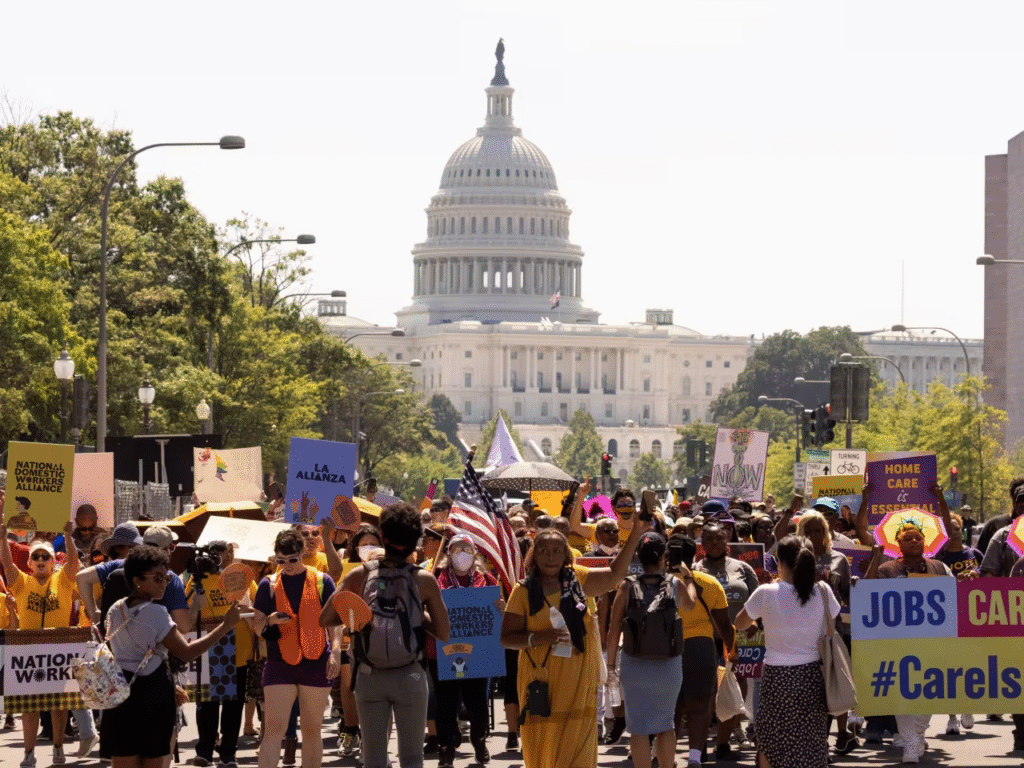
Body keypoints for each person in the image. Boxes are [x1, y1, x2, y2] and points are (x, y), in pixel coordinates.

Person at [500, 517, 651, 768]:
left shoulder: (578, 579)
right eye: (544, 551)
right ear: (534, 556)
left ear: (566, 554)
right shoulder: (523, 590)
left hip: (579, 677)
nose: (551, 557)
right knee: (544, 747)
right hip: (542, 680)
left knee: (578, 744)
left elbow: (614, 575)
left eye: (557, 550)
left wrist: (635, 533)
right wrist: (539, 637)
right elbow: (506, 638)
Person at [321, 502, 451, 768]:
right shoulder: (424, 579)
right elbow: (443, 633)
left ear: (383, 537)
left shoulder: (359, 575)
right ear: (415, 541)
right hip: (411, 675)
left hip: (369, 676)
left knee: (374, 759)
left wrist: (359, 615)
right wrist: (415, 616)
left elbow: (325, 618)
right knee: (412, 758)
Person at [102, 545, 241, 768]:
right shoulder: (156, 612)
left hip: (119, 693)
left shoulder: (115, 609)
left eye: (166, 577)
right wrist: (225, 626)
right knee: (155, 760)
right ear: (137, 580)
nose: (164, 583)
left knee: (123, 760)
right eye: (157, 578)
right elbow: (186, 652)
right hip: (152, 694)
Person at [735, 535, 839, 768]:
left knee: (771, 741)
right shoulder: (823, 591)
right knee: (810, 742)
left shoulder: (766, 592)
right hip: (813, 676)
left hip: (776, 677)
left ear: (780, 562)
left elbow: (740, 623)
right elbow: (831, 625)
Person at [865, 517, 953, 763]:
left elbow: (954, 595)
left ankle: (918, 732)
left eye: (918, 537)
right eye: (908, 538)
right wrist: (875, 557)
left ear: (925, 542)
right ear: (898, 544)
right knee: (903, 691)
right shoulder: (886, 570)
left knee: (930, 690)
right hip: (897, 642)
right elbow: (867, 592)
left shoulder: (939, 567)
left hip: (932, 642)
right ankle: (910, 743)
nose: (914, 541)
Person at [606, 532, 696, 768]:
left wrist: (611, 666)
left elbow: (614, 630)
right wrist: (689, 578)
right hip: (668, 666)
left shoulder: (626, 585)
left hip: (634, 665)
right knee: (666, 724)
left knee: (638, 728)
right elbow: (690, 604)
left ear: (638, 556)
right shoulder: (675, 583)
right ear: (664, 557)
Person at [253, 529, 342, 768]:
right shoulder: (268, 584)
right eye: (281, 561)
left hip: (316, 662)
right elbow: (257, 625)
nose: (287, 566)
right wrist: (270, 620)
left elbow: (335, 622)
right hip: (279, 663)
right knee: (273, 731)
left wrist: (335, 652)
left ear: (302, 553)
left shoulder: (323, 581)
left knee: (312, 730)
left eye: (292, 560)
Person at [1, 522, 78, 768]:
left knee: (58, 705)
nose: (41, 560)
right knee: (29, 706)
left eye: (46, 556)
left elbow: (74, 563)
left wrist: (68, 536)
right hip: (29, 651)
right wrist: (2, 539)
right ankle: (29, 753)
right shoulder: (22, 582)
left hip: (59, 651)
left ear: (54, 562)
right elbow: (7, 565)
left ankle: (58, 747)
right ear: (30, 563)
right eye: (36, 557)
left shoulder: (63, 581)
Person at [428, 534, 500, 768]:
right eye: (457, 549)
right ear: (449, 552)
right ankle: (446, 750)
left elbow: (498, 607)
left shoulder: (486, 579)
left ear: (475, 553)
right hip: (442, 652)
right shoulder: (435, 578)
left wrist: (500, 607)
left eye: (467, 549)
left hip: (478, 652)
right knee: (446, 703)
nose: (462, 554)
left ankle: (479, 741)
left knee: (477, 703)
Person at [186, 541, 257, 768]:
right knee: (207, 703)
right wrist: (196, 605)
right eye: (219, 553)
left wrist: (247, 608)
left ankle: (228, 753)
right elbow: (186, 615)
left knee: (233, 705)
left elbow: (258, 610)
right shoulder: (198, 579)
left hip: (238, 649)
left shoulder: (244, 579)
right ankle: (205, 752)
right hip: (208, 648)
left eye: (229, 552)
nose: (225, 556)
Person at [668, 534, 733, 768]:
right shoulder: (709, 582)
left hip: (666, 648)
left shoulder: (657, 582)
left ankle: (665, 756)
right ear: (695, 554)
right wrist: (732, 652)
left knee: (671, 707)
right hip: (700, 648)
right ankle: (695, 758)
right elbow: (724, 624)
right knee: (700, 705)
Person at [695, 521, 759, 758]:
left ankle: (723, 745)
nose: (714, 543)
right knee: (708, 693)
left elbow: (756, 600)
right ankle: (699, 745)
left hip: (738, 639)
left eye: (719, 538)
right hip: (706, 640)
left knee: (735, 691)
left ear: (727, 541)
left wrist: (754, 621)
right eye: (709, 539)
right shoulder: (695, 570)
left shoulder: (743, 568)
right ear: (702, 544)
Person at [796, 509, 856, 753]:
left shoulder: (839, 559)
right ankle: (819, 741)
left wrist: (851, 585)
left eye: (818, 530)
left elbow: (848, 597)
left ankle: (842, 735)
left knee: (836, 680)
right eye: (808, 531)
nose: (813, 535)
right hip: (804, 632)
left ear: (826, 531)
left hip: (833, 630)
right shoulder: (796, 558)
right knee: (814, 689)